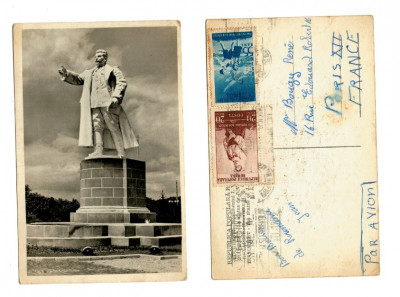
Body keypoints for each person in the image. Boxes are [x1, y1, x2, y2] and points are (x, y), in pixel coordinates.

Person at [58, 49, 138, 158]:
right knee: (97, 127)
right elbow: (78, 79)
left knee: (113, 126)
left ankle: (121, 152)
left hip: (108, 103)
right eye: (96, 56)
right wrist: (66, 74)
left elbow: (121, 82)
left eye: (100, 56)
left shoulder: (113, 70)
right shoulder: (90, 73)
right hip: (94, 104)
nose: (97, 58)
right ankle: (98, 151)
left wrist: (116, 96)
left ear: (105, 58)